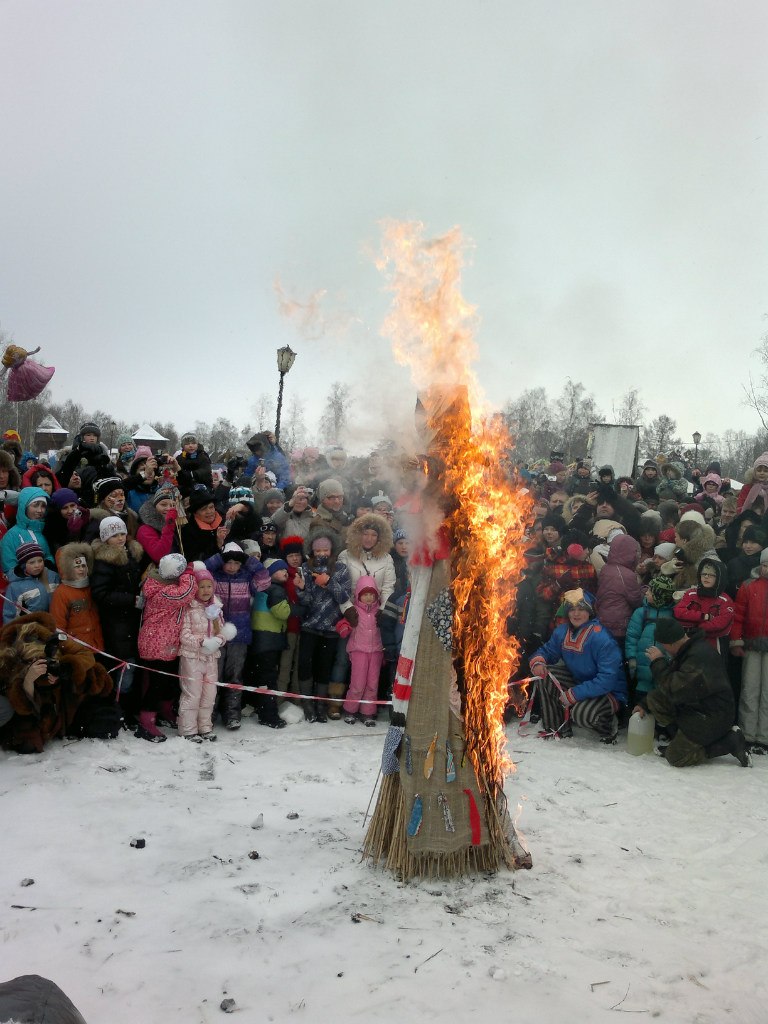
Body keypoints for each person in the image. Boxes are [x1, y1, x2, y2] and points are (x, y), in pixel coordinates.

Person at [636, 618, 750, 768]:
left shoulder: (698, 656)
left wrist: (658, 662)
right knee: (654, 699)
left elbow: (675, 689)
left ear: (670, 643)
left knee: (675, 757)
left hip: (712, 715)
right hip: (696, 706)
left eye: (663, 645)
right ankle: (681, 740)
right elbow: (672, 688)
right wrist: (644, 704)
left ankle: (729, 741)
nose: (663, 649)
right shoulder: (689, 648)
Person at [529, 588, 627, 743]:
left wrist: (574, 694)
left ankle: (609, 727)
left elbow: (607, 679)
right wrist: (538, 661)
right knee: (545, 674)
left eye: (581, 609)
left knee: (583, 713)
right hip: (580, 683)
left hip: (609, 692)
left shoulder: (601, 637)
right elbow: (547, 651)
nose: (576, 614)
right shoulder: (562, 632)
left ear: (589, 612)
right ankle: (557, 728)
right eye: (572, 609)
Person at [205, 541, 270, 730]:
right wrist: (219, 558)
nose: (232, 566)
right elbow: (200, 571)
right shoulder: (214, 577)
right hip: (216, 632)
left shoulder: (248, 577)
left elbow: (265, 579)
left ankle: (232, 713)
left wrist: (247, 560)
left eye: (236, 563)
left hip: (240, 634)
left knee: (234, 675)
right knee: (213, 674)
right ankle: (210, 711)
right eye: (229, 562)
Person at [137, 552, 197, 741]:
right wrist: (188, 574)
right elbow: (186, 593)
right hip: (157, 644)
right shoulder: (162, 592)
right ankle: (146, 720)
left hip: (166, 643)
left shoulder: (163, 585)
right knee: (158, 683)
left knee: (169, 680)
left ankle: (164, 710)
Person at [91, 516, 144, 728]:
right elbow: (101, 594)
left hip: (132, 620)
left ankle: (130, 709)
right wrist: (131, 600)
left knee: (132, 667)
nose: (120, 538)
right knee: (124, 668)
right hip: (117, 624)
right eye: (114, 535)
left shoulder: (132, 554)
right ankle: (120, 710)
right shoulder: (104, 561)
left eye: (122, 533)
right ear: (105, 538)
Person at [295, 530, 352, 723]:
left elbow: (344, 597)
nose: (321, 553)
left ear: (331, 550)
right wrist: (302, 589)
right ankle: (307, 704)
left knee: (324, 667)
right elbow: (307, 601)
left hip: (331, 627)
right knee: (304, 664)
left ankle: (320, 705)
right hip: (310, 625)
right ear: (311, 550)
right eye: (317, 549)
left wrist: (328, 582)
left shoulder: (341, 569)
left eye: (325, 549)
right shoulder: (305, 567)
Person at [177, 561, 236, 741]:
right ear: (195, 588)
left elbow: (222, 630)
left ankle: (205, 727)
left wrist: (218, 640)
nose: (206, 590)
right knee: (192, 694)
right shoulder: (188, 608)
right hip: (192, 657)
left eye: (209, 586)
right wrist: (202, 642)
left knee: (209, 695)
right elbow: (183, 634)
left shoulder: (215, 608)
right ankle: (188, 729)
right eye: (201, 586)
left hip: (211, 658)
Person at [730, 549, 768, 754]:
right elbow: (738, 616)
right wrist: (736, 641)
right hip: (752, 644)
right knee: (750, 689)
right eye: (765, 564)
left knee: (767, 692)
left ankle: (764, 735)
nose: (767, 569)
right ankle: (748, 733)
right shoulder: (748, 586)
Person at [248, 558, 292, 728]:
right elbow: (283, 613)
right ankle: (269, 715)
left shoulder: (261, 589)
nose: (285, 573)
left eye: (286, 570)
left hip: (259, 639)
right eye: (281, 570)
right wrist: (297, 606)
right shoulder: (276, 590)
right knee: (269, 678)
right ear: (270, 573)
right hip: (269, 640)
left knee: (261, 676)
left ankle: (261, 708)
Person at [625, 573, 676, 708]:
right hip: (642, 668)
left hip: (663, 670)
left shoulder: (673, 615)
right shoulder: (641, 613)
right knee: (640, 703)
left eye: (651, 591)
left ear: (660, 596)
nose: (646, 593)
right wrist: (631, 658)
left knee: (660, 703)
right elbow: (632, 637)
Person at [340, 575, 385, 726]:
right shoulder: (355, 612)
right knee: (357, 683)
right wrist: (344, 628)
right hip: (359, 650)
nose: (369, 598)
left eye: (372, 594)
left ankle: (367, 712)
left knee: (372, 683)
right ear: (359, 595)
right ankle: (350, 710)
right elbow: (342, 624)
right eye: (365, 594)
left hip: (376, 651)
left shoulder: (379, 612)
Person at [674, 558, 734, 659]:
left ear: (719, 577)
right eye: (704, 574)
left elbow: (722, 625)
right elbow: (679, 613)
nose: (706, 577)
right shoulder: (691, 593)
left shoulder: (725, 600)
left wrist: (697, 628)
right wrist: (704, 616)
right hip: (688, 643)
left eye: (711, 575)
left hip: (714, 646)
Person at [50, 542, 103, 652]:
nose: (81, 569)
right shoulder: (61, 592)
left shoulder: (92, 586)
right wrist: (67, 647)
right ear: (67, 569)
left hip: (97, 646)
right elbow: (58, 625)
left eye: (83, 566)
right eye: (77, 566)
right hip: (77, 650)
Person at [3, 541, 60, 623]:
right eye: (32, 562)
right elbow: (10, 616)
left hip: (54, 625)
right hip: (31, 629)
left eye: (40, 561)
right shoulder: (15, 587)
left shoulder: (53, 576)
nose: (37, 565)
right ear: (23, 565)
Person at [1, 486, 53, 574]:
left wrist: (49, 565)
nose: (40, 510)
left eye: (43, 506)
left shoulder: (41, 532)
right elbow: (9, 568)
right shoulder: (11, 536)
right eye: (35, 505)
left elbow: (48, 556)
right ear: (24, 507)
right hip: (22, 585)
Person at [136, 482, 180, 566]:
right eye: (163, 504)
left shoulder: (178, 525)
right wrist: (169, 526)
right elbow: (159, 556)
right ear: (154, 506)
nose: (168, 509)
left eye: (173, 505)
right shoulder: (144, 529)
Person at [176, 432, 213, 497]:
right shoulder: (180, 458)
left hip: (203, 489)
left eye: (193, 443)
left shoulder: (203, 456)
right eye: (187, 444)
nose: (191, 446)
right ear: (183, 446)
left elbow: (206, 471)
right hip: (185, 491)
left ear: (197, 444)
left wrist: (192, 474)